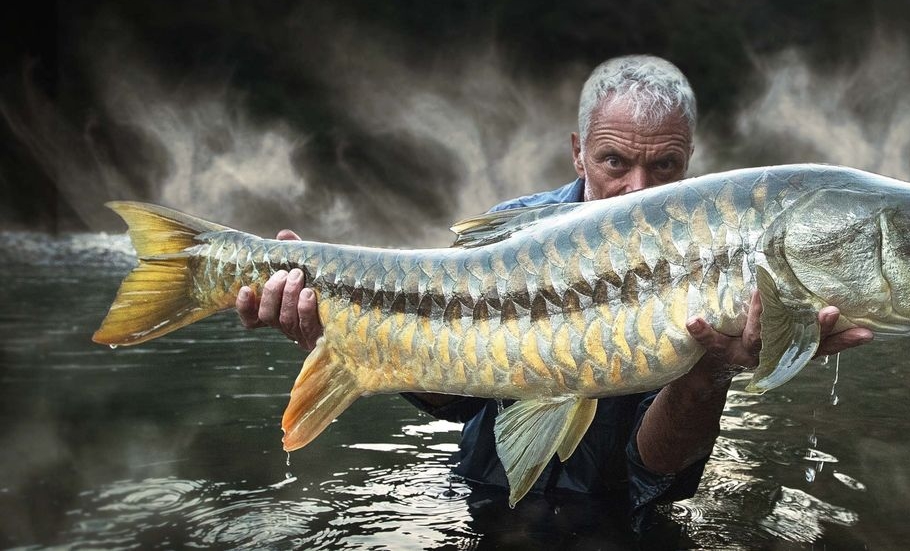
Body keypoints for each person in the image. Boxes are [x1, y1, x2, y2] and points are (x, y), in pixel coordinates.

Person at [236, 55, 874, 526]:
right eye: (614, 162)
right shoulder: (516, 230)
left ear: (689, 164)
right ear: (578, 153)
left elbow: (656, 472)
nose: (638, 189)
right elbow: (457, 396)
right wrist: (339, 334)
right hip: (482, 503)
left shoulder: (714, 258)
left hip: (628, 517)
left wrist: (711, 370)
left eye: (665, 167)